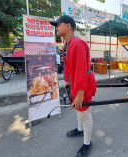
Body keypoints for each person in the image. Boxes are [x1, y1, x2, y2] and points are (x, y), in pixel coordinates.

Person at [50, 15, 96, 157]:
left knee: (84, 112)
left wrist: (80, 94)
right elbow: (69, 66)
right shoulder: (67, 44)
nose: (56, 27)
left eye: (59, 24)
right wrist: (68, 81)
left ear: (68, 26)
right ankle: (80, 129)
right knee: (77, 109)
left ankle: (87, 143)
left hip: (83, 84)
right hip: (75, 82)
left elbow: (81, 69)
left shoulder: (76, 44)